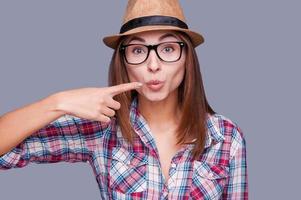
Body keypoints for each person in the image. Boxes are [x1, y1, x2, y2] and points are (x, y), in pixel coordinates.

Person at [0, 0, 248, 199]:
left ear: (187, 59)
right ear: (123, 61)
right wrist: (57, 102)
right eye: (138, 50)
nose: (153, 65)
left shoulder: (225, 137)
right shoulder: (102, 129)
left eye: (168, 49)